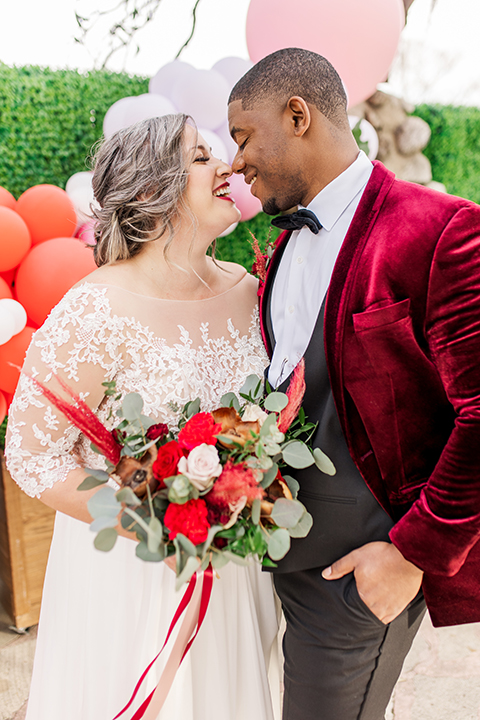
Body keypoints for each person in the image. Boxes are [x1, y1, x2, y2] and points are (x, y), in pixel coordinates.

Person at [228, 47, 480, 720]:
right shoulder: (283, 247)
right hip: (277, 559)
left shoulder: (440, 228)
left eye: (244, 137)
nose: (236, 162)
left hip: (358, 578)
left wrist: (411, 556)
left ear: (298, 114)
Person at [5, 114, 280, 720]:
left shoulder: (245, 287)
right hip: (134, 570)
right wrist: (141, 515)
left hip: (232, 564)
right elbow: (30, 452)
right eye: (202, 157)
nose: (226, 167)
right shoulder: (95, 309)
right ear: (155, 190)